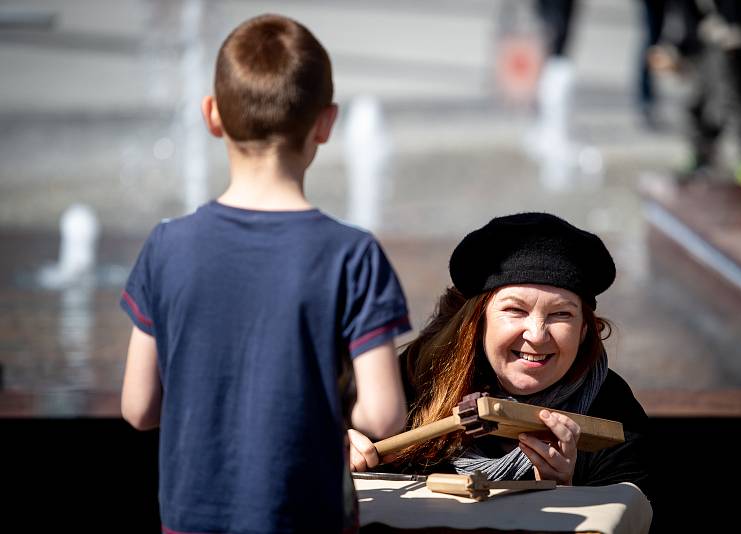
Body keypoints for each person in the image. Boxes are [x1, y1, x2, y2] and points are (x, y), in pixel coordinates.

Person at [120, 14, 410, 533]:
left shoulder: (166, 246)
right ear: (325, 123)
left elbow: (140, 408)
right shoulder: (353, 254)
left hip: (192, 520)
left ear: (212, 116)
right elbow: (384, 415)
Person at [349, 213, 650, 500]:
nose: (537, 334)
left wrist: (564, 492)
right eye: (515, 310)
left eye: (561, 314)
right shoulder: (417, 380)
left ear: (584, 329)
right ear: (478, 323)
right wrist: (342, 457)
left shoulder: (612, 409)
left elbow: (636, 518)